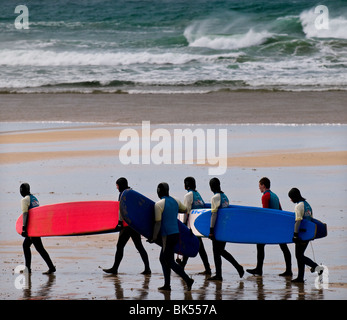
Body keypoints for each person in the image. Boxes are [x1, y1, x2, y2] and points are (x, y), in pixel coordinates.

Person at [149, 182, 194, 291]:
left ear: (159, 191)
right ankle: (167, 285)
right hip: (176, 234)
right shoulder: (175, 201)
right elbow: (184, 210)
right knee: (163, 258)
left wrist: (153, 237)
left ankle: (187, 279)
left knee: (169, 261)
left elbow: (158, 223)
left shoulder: (159, 204)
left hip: (167, 236)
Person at [103, 177, 151, 275]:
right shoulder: (132, 193)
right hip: (134, 225)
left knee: (120, 246)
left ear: (121, 185)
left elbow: (121, 209)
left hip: (127, 225)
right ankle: (147, 268)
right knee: (139, 246)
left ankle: (114, 269)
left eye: (117, 185)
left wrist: (120, 223)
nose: (117, 187)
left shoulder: (123, 194)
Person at [247, 177, 292, 277]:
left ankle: (259, 269)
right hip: (278, 224)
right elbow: (280, 210)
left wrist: (262, 227)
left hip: (271, 226)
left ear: (263, 185)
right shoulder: (274, 195)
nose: (259, 188)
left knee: (260, 244)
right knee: (284, 247)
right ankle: (289, 270)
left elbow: (265, 213)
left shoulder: (265, 196)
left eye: (259, 185)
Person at [208, 178, 244, 281]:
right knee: (220, 251)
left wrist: (211, 230)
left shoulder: (215, 197)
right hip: (225, 227)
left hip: (219, 228)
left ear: (211, 187)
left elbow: (214, 214)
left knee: (217, 251)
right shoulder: (224, 196)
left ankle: (222, 274)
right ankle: (234, 268)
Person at [288, 188, 324, 283]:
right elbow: (310, 220)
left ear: (295, 197)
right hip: (307, 233)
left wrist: (295, 234)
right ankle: (300, 277)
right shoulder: (307, 205)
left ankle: (316, 267)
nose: (290, 200)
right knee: (300, 255)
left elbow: (298, 220)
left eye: (291, 198)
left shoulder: (299, 206)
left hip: (301, 234)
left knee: (299, 256)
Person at [178, 177, 212, 275]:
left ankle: (181, 267)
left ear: (186, 185)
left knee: (191, 245)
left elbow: (186, 211)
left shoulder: (188, 195)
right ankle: (207, 268)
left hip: (192, 226)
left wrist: (183, 226)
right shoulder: (198, 195)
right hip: (198, 226)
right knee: (200, 248)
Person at [20, 183, 56, 274]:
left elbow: (25, 214)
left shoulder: (24, 200)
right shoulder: (34, 199)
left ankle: (29, 269)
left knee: (35, 247)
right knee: (33, 247)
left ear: (22, 190)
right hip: (37, 226)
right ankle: (50, 267)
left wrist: (24, 228)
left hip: (32, 228)